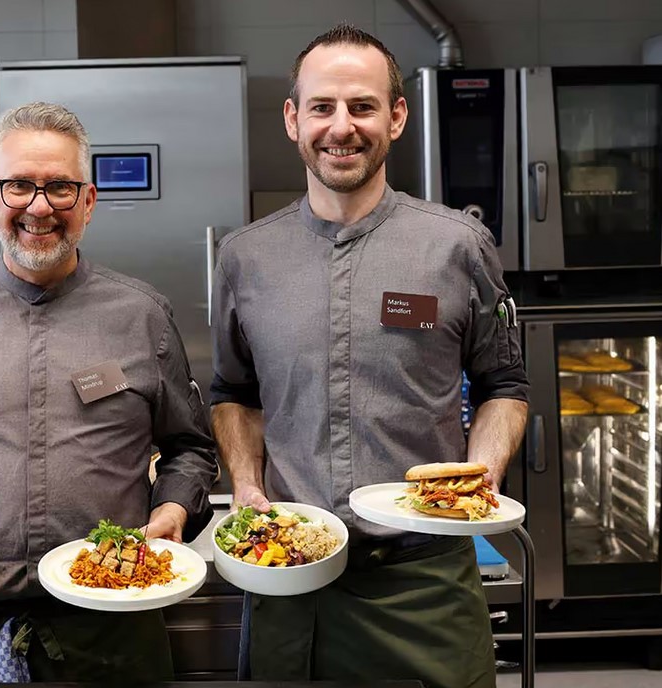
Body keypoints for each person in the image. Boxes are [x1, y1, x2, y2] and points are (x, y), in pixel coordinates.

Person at [210, 23, 529, 688]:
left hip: (423, 582)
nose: (341, 127)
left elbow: (504, 381)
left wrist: (478, 478)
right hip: (288, 576)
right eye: (322, 107)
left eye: (361, 106)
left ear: (396, 116)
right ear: (293, 120)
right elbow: (232, 392)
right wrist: (245, 484)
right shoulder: (245, 257)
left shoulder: (457, 247)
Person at [0, 102, 217, 685]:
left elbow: (190, 447)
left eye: (59, 187)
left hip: (114, 635)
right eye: (19, 187)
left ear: (88, 200)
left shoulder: (142, 316)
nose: (38, 206)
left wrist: (174, 508)